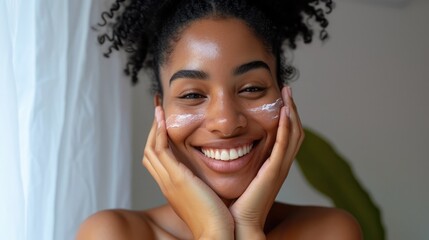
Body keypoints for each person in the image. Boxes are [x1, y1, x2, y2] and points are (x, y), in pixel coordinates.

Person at [77, 0, 362, 239]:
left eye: (252, 89)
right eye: (191, 95)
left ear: (286, 100)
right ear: (159, 111)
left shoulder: (330, 232)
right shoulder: (113, 233)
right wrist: (213, 231)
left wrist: (248, 227)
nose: (226, 122)